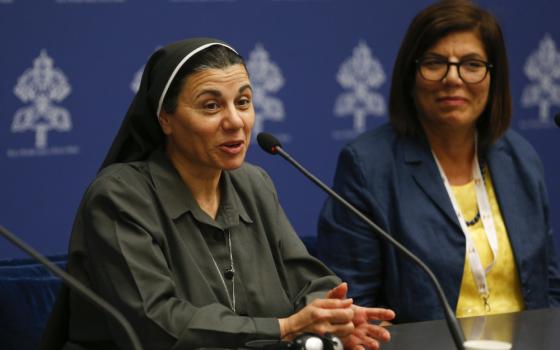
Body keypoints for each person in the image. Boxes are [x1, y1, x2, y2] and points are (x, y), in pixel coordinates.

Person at [49, 37, 394, 350]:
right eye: (211, 106)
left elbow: (308, 280)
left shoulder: (254, 183)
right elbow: (154, 323)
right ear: (165, 119)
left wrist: (332, 314)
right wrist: (284, 328)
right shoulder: (119, 197)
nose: (235, 121)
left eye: (243, 102)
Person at [317, 0, 560, 324]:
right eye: (435, 63)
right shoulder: (368, 167)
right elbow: (354, 312)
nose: (453, 78)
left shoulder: (520, 157)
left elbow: (550, 288)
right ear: (411, 75)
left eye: (472, 64)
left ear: (493, 78)